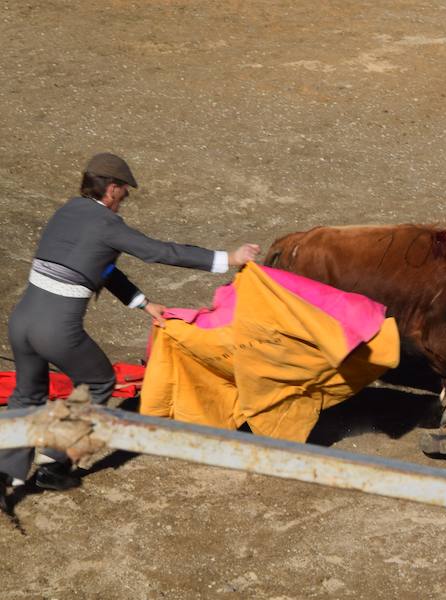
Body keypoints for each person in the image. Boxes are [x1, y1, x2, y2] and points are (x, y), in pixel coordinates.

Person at [0, 153, 260, 498]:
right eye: (125, 192)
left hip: (21, 322)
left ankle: (5, 476)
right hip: (56, 330)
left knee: (26, 395)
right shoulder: (107, 225)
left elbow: (101, 266)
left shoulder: (66, 212)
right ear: (112, 188)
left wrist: (142, 302)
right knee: (98, 381)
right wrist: (229, 258)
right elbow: (160, 252)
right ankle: (54, 464)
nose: (124, 199)